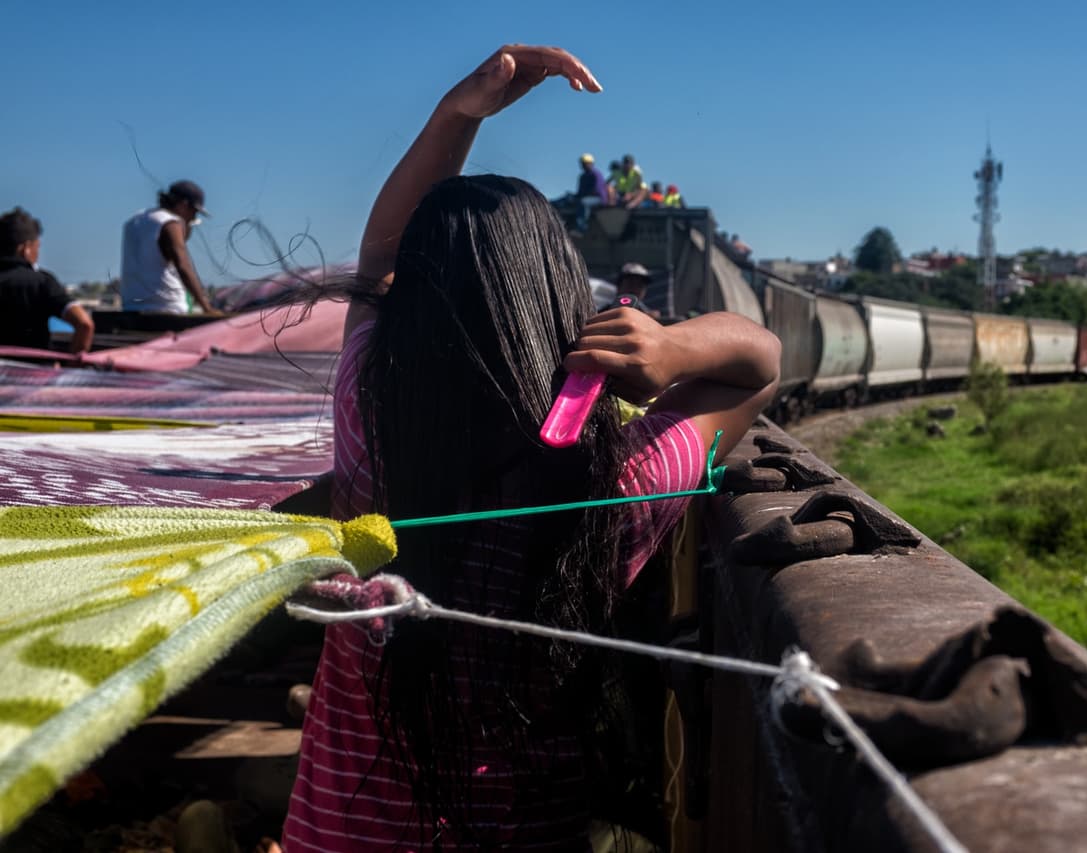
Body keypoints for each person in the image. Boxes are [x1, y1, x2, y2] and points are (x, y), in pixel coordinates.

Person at [283, 45, 779, 852]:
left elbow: (375, 268)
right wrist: (674, 350)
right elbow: (760, 362)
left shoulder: (368, 425)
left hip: (338, 834)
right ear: (559, 302)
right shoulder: (610, 482)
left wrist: (455, 114)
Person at [0, 207, 94, 353]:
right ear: (25, 248)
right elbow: (84, 324)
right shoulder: (42, 282)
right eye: (37, 247)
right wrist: (69, 368)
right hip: (34, 373)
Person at [120, 180, 219, 314]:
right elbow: (183, 265)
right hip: (167, 308)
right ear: (183, 205)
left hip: (131, 308)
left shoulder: (134, 221)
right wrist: (206, 307)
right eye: (194, 212)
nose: (193, 217)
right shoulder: (170, 223)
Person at [574, 152, 607, 232]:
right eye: (583, 164)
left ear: (591, 164)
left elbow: (596, 190)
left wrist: (583, 196)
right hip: (585, 197)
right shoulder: (582, 176)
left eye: (586, 163)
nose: (584, 165)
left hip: (599, 199)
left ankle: (581, 227)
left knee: (584, 202)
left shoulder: (596, 174)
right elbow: (580, 191)